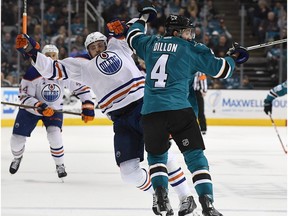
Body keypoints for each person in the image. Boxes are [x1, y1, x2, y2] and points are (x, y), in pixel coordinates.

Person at [15, 29, 198, 216]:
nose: (98, 49)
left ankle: (186, 197)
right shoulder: (82, 65)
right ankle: (158, 194)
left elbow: (135, 32)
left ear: (107, 43)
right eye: (93, 47)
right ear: (88, 50)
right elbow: (51, 68)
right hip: (120, 120)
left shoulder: (119, 47)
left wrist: (125, 27)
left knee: (161, 152)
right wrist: (31, 49)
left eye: (100, 44)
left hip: (143, 107)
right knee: (128, 173)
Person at [125, 2, 249, 215]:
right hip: (180, 111)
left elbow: (132, 36)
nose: (191, 36)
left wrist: (144, 18)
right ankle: (207, 203)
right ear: (175, 31)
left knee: (156, 158)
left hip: (151, 113)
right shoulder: (192, 49)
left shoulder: (150, 43)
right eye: (187, 32)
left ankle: (162, 196)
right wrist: (234, 57)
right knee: (195, 157)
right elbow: (222, 70)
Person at [9, 44, 95, 179]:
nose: (50, 58)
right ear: (43, 58)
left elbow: (81, 89)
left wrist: (88, 104)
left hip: (54, 109)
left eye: (53, 56)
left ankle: (60, 165)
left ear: (57, 57)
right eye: (47, 56)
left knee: (55, 136)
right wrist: (39, 105)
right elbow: (24, 97)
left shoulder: (63, 71)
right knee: (16, 140)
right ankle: (17, 157)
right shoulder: (32, 73)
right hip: (31, 110)